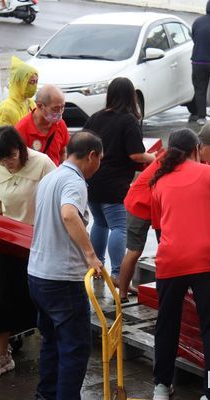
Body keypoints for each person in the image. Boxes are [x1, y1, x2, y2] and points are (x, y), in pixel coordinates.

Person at [148, 128, 210, 400]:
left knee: (167, 324)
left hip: (170, 260)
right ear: (196, 149)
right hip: (207, 259)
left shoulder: (159, 182)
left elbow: (159, 229)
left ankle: (160, 387)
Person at [118, 122, 210, 302]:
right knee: (135, 250)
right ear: (200, 146)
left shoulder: (198, 162)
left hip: (161, 206)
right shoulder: (174, 158)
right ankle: (122, 293)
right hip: (141, 203)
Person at [27, 131, 103, 400]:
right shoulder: (74, 181)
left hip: (38, 274)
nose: (98, 166)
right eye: (99, 160)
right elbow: (69, 214)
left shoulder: (50, 178)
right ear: (91, 155)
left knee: (52, 342)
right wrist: (91, 255)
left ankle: (46, 395)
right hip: (63, 278)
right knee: (75, 348)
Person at [0, 126, 55, 379]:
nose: (9, 163)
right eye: (2, 159)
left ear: (20, 149)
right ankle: (2, 355)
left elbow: (57, 198)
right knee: (1, 301)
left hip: (39, 243)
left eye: (12, 156)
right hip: (9, 244)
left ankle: (52, 351)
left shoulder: (42, 163)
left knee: (43, 299)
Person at [83, 77, 155, 284]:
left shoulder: (96, 117)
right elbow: (136, 155)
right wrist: (156, 159)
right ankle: (116, 273)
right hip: (114, 184)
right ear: (131, 96)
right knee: (119, 226)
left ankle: (96, 268)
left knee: (100, 223)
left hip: (92, 180)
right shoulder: (128, 120)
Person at [16, 84, 69, 166]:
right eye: (55, 108)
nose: (60, 112)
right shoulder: (22, 129)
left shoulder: (60, 124)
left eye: (62, 107)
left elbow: (63, 152)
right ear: (40, 106)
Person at [0, 56, 38, 130]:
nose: (34, 86)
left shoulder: (31, 104)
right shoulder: (5, 109)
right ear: (19, 83)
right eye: (31, 82)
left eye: (36, 82)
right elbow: (1, 139)